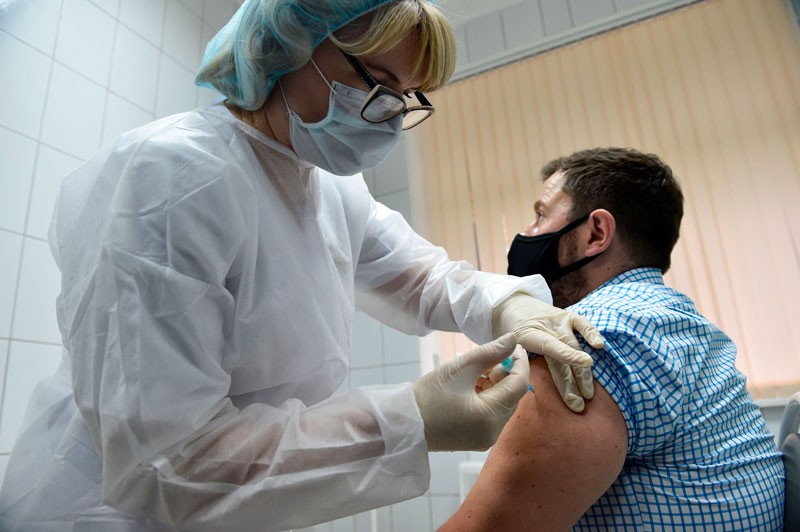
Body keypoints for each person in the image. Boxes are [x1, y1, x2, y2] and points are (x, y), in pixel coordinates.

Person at [0, 1, 604, 531]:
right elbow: (165, 462)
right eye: (377, 86)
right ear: (290, 46)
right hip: (102, 514)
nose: (393, 118)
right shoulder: (175, 179)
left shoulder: (326, 187)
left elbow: (421, 277)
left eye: (407, 99)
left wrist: (511, 304)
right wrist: (409, 420)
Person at [441, 147, 785, 531]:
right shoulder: (675, 321)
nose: (527, 232)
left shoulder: (593, 336)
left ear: (596, 233)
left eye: (540, 215)